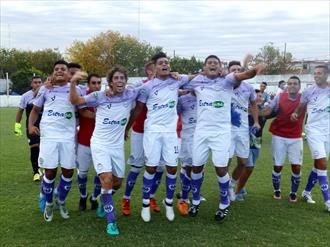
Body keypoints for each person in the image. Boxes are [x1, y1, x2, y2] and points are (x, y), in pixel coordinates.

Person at [186, 55, 266, 222]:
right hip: (201, 132)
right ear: (204, 67)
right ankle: (195, 201)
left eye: (216, 63)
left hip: (221, 133)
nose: (213, 65)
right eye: (209, 63)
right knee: (196, 168)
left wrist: (254, 70)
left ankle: (224, 204)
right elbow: (178, 82)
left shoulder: (227, 80)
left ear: (220, 67)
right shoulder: (198, 80)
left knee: (221, 169)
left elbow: (243, 76)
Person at [70, 65, 142, 235]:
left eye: (122, 78)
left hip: (117, 146)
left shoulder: (131, 93)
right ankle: (111, 222)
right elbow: (75, 101)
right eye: (116, 78)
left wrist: (175, 75)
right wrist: (73, 82)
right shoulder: (99, 96)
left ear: (126, 81)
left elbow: (151, 83)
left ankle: (104, 199)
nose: (119, 81)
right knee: (107, 180)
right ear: (110, 82)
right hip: (100, 144)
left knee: (117, 182)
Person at [133, 52, 194, 222]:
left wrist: (215, 73)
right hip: (152, 131)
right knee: (151, 168)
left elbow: (196, 77)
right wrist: (126, 126)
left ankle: (168, 204)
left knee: (172, 168)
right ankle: (145, 204)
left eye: (167, 62)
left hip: (170, 133)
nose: (165, 65)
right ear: (155, 67)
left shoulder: (177, 80)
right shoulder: (147, 86)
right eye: (161, 63)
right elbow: (138, 108)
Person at [29, 60, 80, 222]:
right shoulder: (45, 89)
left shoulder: (76, 89)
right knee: (50, 172)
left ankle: (61, 201)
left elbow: (91, 95)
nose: (59, 71)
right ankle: (49, 203)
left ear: (68, 73)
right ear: (52, 73)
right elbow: (35, 110)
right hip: (49, 136)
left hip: (68, 137)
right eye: (56, 69)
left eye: (63, 69)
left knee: (68, 172)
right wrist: (30, 125)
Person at [121, 62, 164, 216]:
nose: (159, 71)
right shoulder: (141, 85)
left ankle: (151, 196)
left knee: (160, 167)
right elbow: (129, 96)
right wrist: (127, 128)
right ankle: (126, 198)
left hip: (159, 132)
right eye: (155, 68)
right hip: (140, 131)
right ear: (148, 70)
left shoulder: (167, 85)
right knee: (137, 166)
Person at [291, 65, 330, 212]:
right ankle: (328, 201)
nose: (316, 75)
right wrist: (295, 113)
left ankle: (306, 192)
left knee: (318, 164)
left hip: (328, 131)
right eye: (315, 73)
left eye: (319, 73)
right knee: (323, 162)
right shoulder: (309, 91)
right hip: (313, 131)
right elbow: (300, 107)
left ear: (327, 75)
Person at [261, 76, 305, 202]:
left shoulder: (304, 98)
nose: (292, 85)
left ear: (299, 86)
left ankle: (293, 192)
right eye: (290, 83)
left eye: (295, 83)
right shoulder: (280, 96)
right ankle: (277, 190)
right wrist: (256, 112)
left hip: (296, 137)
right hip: (279, 135)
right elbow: (269, 109)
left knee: (296, 167)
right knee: (277, 166)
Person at [226, 61, 260, 201]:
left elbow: (253, 105)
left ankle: (230, 185)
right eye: (233, 69)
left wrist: (257, 121)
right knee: (224, 162)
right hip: (226, 129)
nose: (236, 71)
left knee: (243, 162)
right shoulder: (224, 84)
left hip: (243, 129)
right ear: (228, 71)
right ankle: (224, 189)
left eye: (238, 69)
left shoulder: (249, 88)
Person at [234, 89, 267, 200]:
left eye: (261, 96)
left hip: (256, 144)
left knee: (247, 168)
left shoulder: (263, 112)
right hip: (245, 143)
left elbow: (276, 110)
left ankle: (241, 186)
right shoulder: (244, 111)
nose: (259, 98)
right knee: (249, 167)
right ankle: (237, 192)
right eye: (257, 96)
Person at [76, 73, 102, 211]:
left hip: (101, 144)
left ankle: (94, 198)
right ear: (88, 84)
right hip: (84, 142)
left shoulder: (105, 97)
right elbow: (84, 113)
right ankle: (83, 196)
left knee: (100, 173)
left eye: (99, 83)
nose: (96, 86)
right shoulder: (84, 98)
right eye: (93, 83)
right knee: (82, 174)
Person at [15, 76, 43, 181]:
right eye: (35, 82)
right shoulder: (26, 96)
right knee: (34, 147)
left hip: (46, 126)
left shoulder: (46, 94)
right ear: (31, 84)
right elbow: (20, 111)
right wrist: (17, 125)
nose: (37, 84)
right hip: (32, 126)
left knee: (43, 148)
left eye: (39, 82)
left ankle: (43, 168)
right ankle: (36, 172)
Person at [176, 90, 197, 215]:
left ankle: (190, 194)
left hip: (202, 137)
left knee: (198, 168)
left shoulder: (206, 96)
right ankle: (183, 198)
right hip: (183, 135)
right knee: (188, 166)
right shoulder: (183, 98)